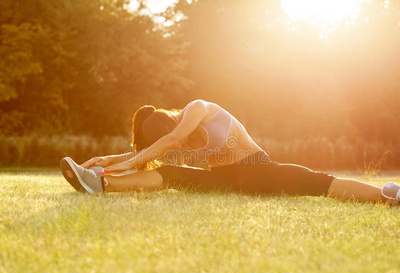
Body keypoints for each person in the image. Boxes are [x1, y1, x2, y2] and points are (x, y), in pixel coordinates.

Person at [60, 99, 400, 205]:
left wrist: (132, 158)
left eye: (167, 134)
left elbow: (171, 141)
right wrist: (107, 162)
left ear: (171, 118)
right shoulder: (172, 140)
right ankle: (100, 184)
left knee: (320, 183)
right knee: (170, 174)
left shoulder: (197, 108)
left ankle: (388, 195)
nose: (171, 141)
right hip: (226, 181)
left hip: (260, 171)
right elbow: (155, 150)